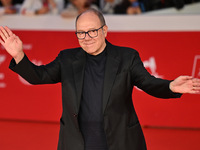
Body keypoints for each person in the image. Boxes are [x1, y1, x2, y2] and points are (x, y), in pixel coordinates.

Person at [0, 8, 200, 150]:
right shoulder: (67, 59)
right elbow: (38, 76)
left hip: (119, 141)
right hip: (78, 142)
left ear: (104, 30)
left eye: (92, 31)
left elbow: (147, 83)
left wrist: (171, 86)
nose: (86, 37)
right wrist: (19, 55)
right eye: (81, 33)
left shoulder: (126, 57)